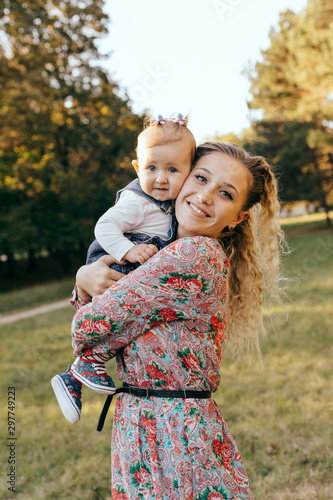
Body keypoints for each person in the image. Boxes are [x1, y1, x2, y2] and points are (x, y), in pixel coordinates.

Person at [59, 142, 284, 499]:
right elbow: (108, 320)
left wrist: (85, 280)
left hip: (176, 431)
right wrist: (86, 278)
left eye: (225, 193)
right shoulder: (157, 252)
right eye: (200, 178)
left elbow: (89, 329)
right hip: (141, 419)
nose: (205, 196)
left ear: (239, 216)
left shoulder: (194, 254)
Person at [51, 114, 196, 414]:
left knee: (129, 316)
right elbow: (104, 227)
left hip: (130, 265)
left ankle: (76, 374)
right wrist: (127, 251)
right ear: (136, 167)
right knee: (125, 312)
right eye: (151, 168)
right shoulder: (137, 201)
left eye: (173, 169)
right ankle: (87, 363)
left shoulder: (174, 205)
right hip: (114, 260)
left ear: (189, 170)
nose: (161, 178)